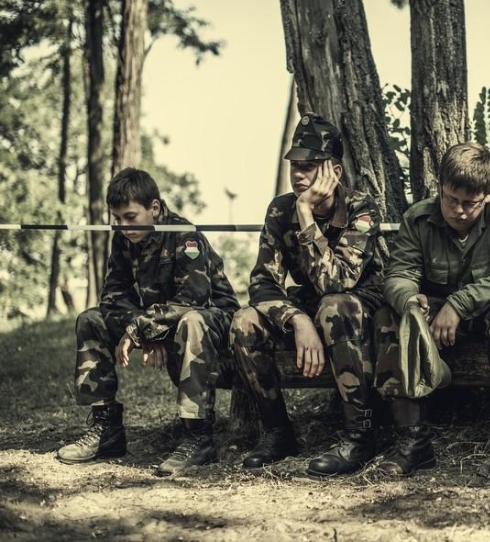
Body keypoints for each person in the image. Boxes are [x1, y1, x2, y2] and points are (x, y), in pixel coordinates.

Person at [374, 142, 490, 476]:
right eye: (451, 199)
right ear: (440, 187)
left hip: (488, 311)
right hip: (433, 315)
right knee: (387, 317)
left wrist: (459, 303)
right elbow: (400, 274)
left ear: (488, 195)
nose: (460, 211)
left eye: (470, 203)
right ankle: (413, 439)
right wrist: (410, 301)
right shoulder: (419, 218)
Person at [230, 112, 386, 476]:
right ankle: (277, 432)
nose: (299, 175)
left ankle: (359, 436)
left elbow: (338, 283)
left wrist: (305, 214)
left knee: (334, 306)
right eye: (294, 166)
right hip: (313, 305)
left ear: (335, 171)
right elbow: (262, 283)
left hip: (360, 303)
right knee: (244, 321)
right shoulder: (278, 210)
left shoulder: (361, 208)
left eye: (310, 166)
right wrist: (297, 319)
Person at [57, 168, 240, 476]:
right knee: (91, 319)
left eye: (130, 217)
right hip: (164, 323)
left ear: (154, 208)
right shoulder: (125, 239)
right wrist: (144, 332)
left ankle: (198, 437)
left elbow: (193, 299)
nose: (123, 227)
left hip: (214, 324)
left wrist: (142, 327)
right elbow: (113, 296)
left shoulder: (185, 236)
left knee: (192, 321)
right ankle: (107, 430)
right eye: (117, 219)